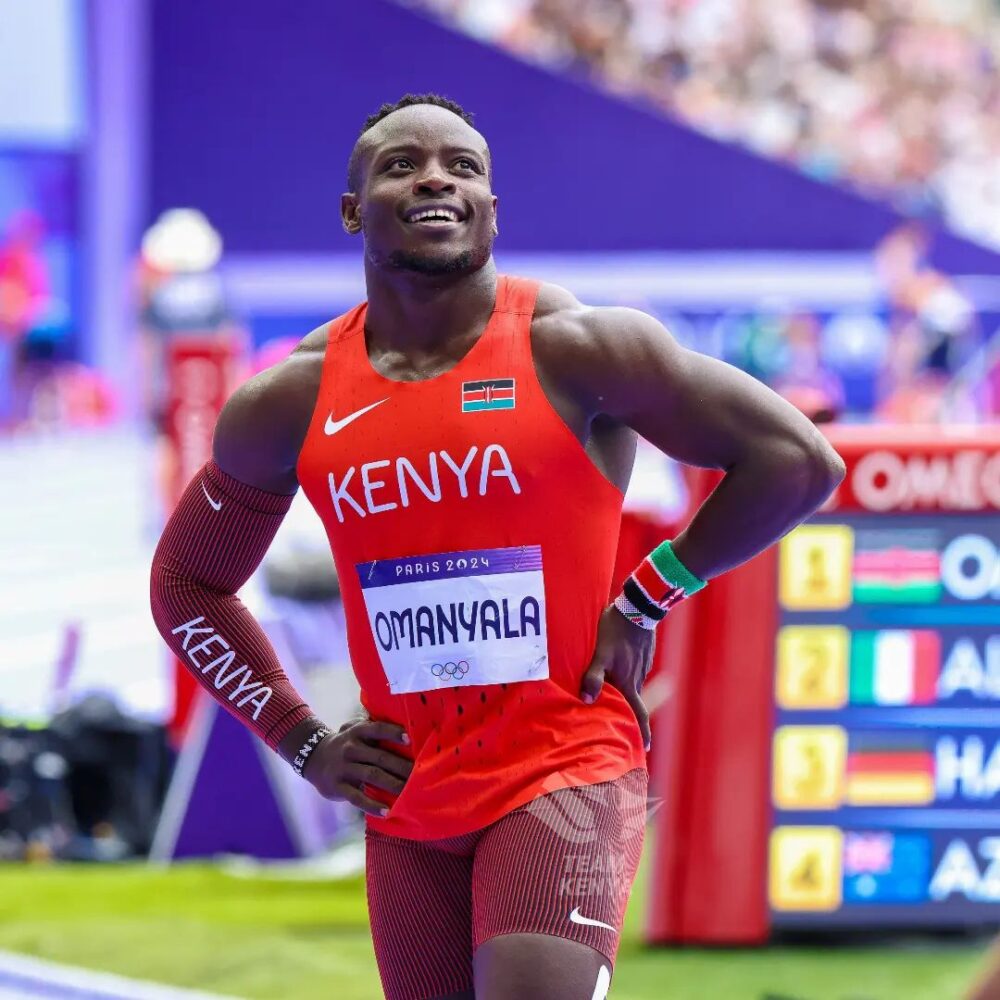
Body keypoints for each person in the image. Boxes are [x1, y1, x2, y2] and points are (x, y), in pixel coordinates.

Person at [150, 93, 846, 1000]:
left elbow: (796, 460)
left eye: (464, 167)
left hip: (564, 764)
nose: (437, 177)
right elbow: (187, 583)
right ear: (354, 210)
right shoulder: (288, 401)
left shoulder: (579, 349)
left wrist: (645, 597)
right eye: (402, 164)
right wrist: (304, 740)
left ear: (491, 208)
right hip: (408, 796)